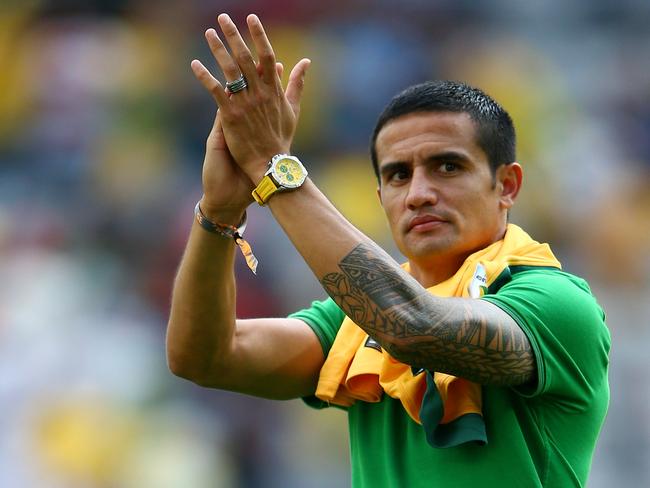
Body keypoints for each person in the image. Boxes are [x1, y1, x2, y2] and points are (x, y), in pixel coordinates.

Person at [166, 13, 610, 487]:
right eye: (398, 175)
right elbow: (204, 356)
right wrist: (219, 212)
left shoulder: (556, 303)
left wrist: (273, 171)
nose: (418, 192)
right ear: (381, 199)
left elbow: (414, 326)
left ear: (506, 185)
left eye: (447, 166)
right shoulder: (355, 318)